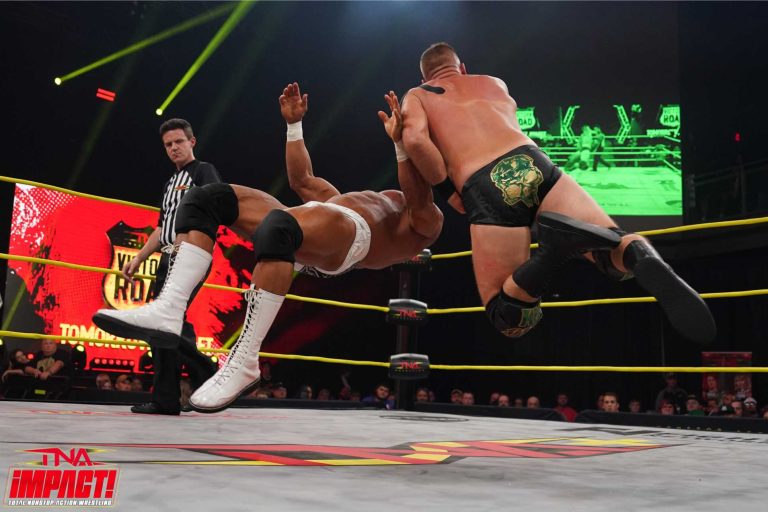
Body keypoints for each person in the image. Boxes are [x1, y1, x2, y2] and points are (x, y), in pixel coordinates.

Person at [94, 85, 442, 412]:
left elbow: (417, 197)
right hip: (318, 219)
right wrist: (294, 125)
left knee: (279, 227)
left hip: (351, 239)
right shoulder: (353, 198)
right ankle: (169, 310)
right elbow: (302, 180)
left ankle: (245, 360)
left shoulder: (426, 220)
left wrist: (402, 145)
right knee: (205, 198)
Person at [400, 42, 715, 343]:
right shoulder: (494, 83)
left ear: (425, 78)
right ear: (463, 68)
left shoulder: (417, 94)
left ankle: (554, 251)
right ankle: (642, 256)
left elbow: (414, 141)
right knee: (613, 249)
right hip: (535, 161)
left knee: (507, 317)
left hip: (485, 181)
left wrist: (449, 191)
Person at [96, 118, 219, 415]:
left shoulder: (203, 171)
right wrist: (138, 258)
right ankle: (175, 392)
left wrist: (189, 239)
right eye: (168, 144)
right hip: (168, 256)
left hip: (189, 254)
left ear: (192, 142)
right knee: (165, 324)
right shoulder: (169, 184)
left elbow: (216, 207)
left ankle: (203, 372)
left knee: (165, 322)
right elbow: (162, 227)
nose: (174, 148)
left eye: (179, 141)